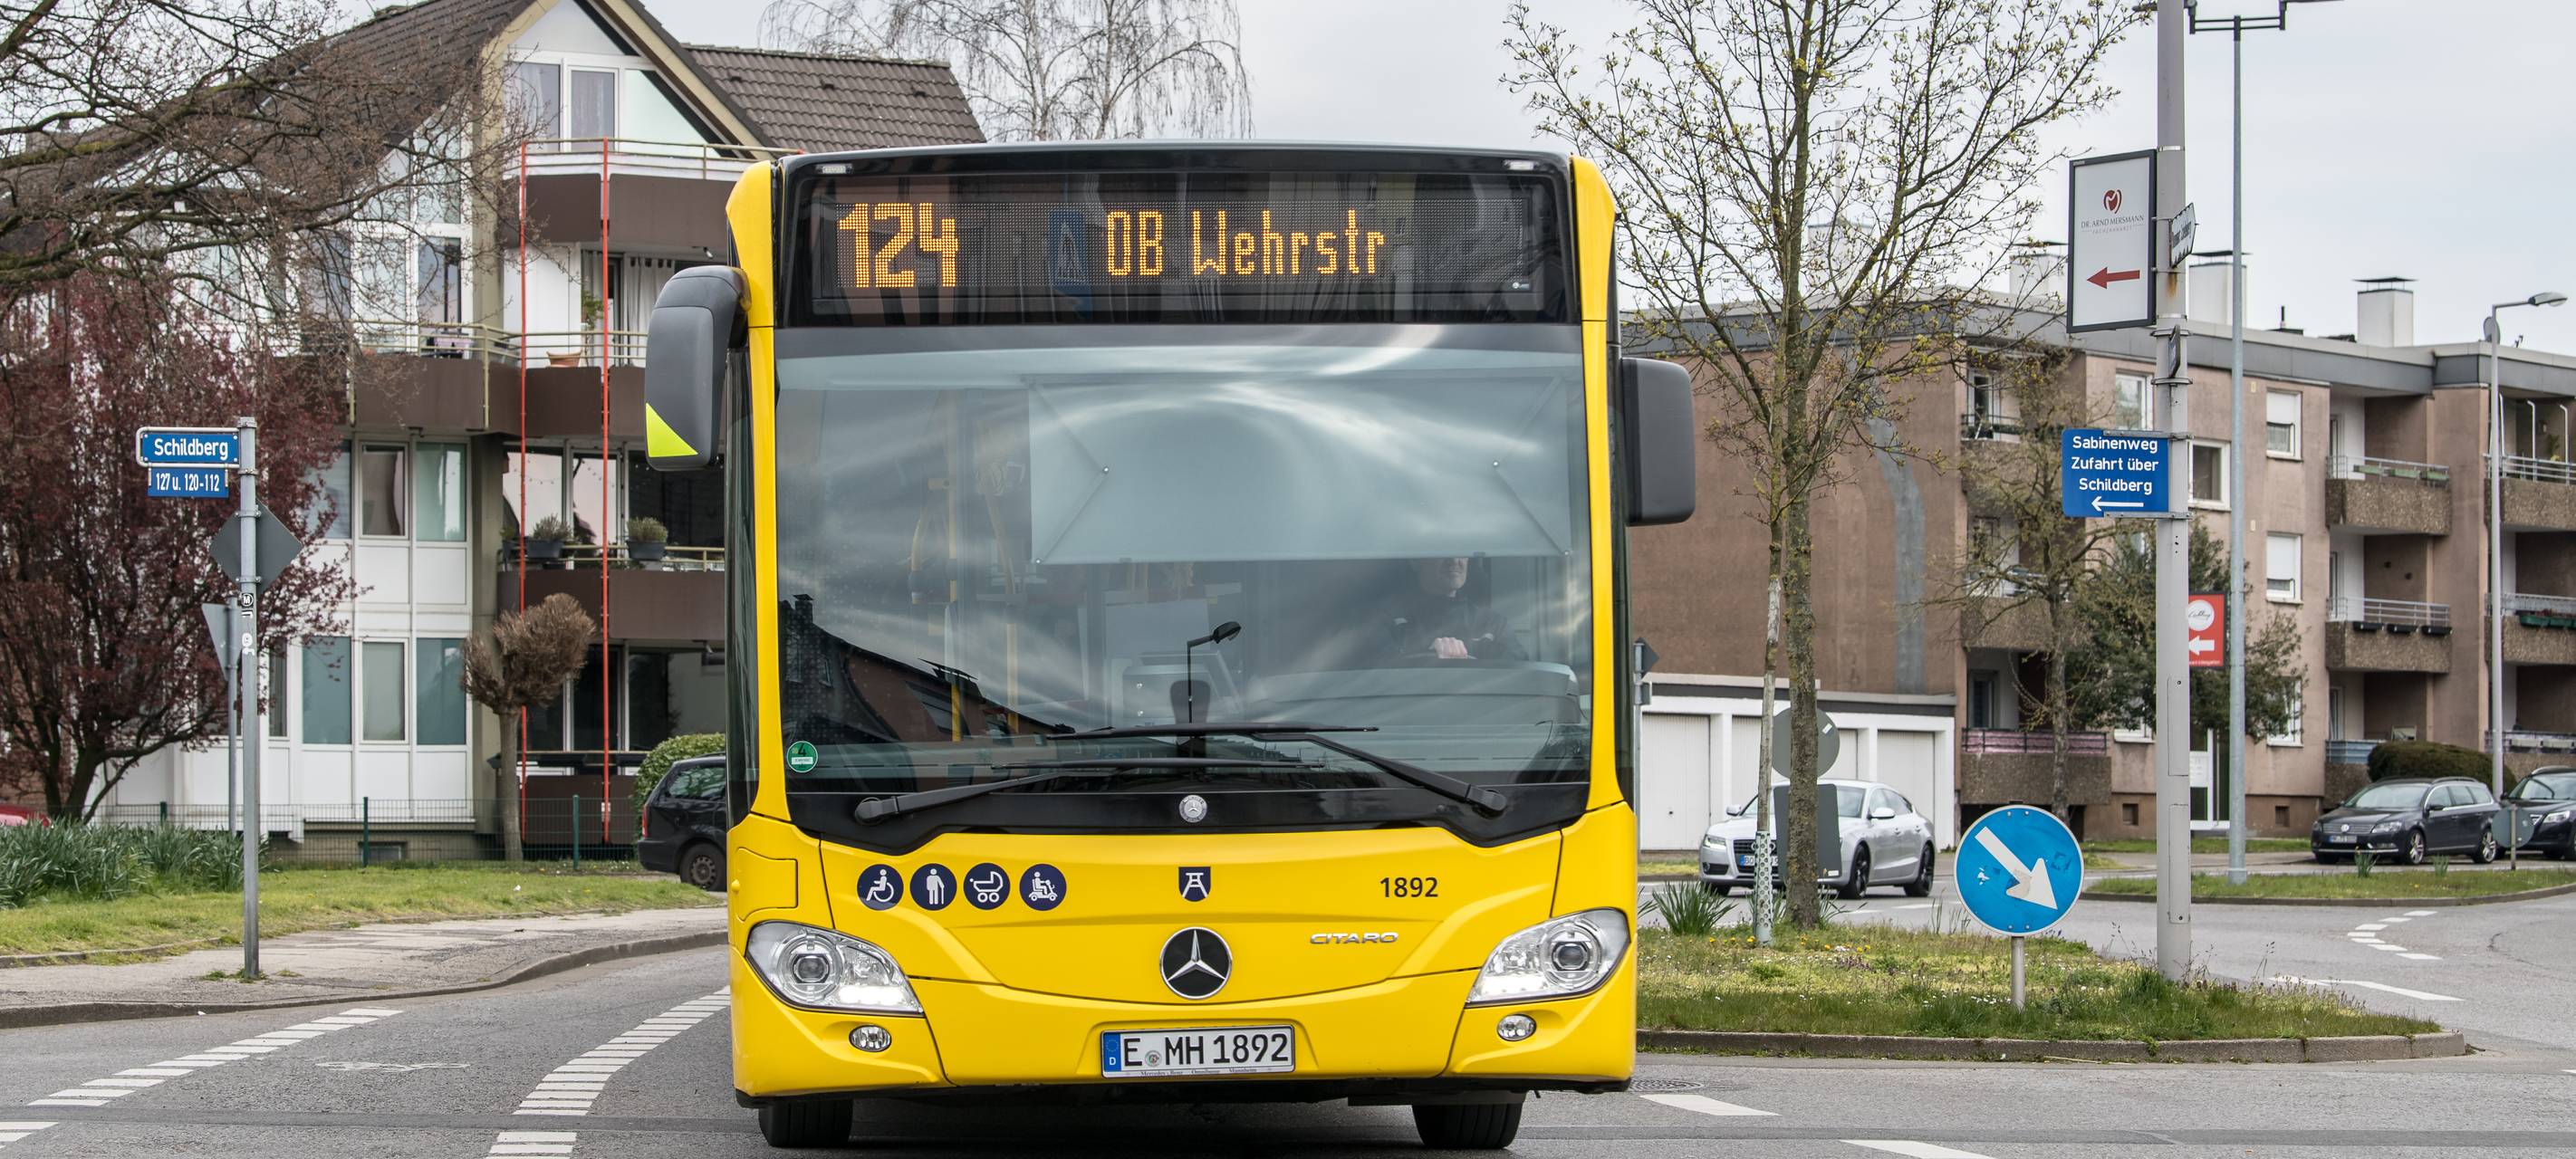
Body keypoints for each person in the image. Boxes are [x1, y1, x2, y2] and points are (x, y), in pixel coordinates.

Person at [1385, 556, 1524, 661]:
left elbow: (1518, 679)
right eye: (1442, 550)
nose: (1454, 560)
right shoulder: (1390, 623)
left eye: (1462, 551)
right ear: (1415, 561)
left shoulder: (1493, 625)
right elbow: (1380, 681)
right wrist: (1428, 661)